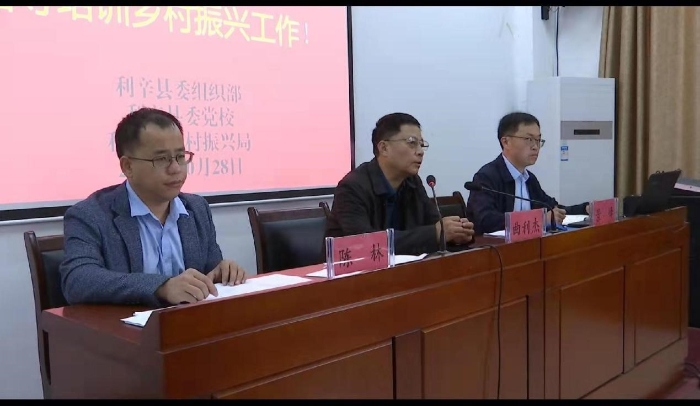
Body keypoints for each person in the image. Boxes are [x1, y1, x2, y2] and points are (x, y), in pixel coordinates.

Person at [60, 108, 247, 307]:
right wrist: (161, 287)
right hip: (127, 325)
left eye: (180, 156)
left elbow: (209, 272)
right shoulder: (90, 215)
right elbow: (77, 280)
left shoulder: (197, 209)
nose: (175, 168)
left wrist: (221, 272)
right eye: (161, 159)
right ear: (128, 167)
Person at [325, 112, 475, 255]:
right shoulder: (352, 187)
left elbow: (434, 224)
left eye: (421, 144)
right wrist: (435, 233)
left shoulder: (412, 182)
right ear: (384, 148)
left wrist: (456, 233)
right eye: (412, 143)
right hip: (350, 271)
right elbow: (366, 244)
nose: (420, 151)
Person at [466, 112, 589, 235]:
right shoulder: (486, 177)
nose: (535, 147)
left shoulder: (529, 179)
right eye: (529, 139)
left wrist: (585, 209)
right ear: (506, 142)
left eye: (538, 140)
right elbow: (486, 220)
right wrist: (539, 220)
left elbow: (552, 208)